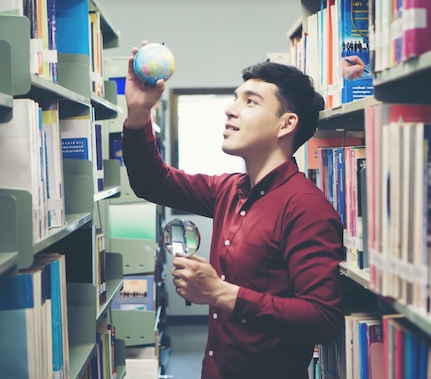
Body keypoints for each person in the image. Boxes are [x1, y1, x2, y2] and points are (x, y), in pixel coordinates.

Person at [122, 41, 343, 379]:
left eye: (250, 102)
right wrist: (139, 115)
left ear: (286, 124)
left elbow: (323, 318)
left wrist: (221, 293)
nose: (231, 109)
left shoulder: (306, 208)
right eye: (235, 98)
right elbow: (153, 183)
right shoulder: (229, 190)